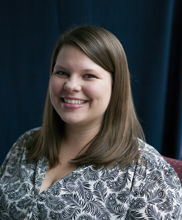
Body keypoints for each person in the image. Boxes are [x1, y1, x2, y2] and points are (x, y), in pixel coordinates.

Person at [0, 26, 181, 220]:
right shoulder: (26, 144)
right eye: (62, 73)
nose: (71, 85)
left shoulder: (147, 171)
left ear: (115, 85)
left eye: (89, 75)